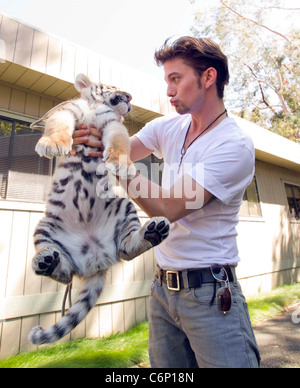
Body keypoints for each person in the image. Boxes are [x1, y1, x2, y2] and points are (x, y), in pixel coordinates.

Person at [73, 36, 261, 368]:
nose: (169, 90)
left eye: (176, 79)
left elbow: (169, 207)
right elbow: (119, 149)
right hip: (161, 290)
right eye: (166, 81)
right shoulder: (166, 128)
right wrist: (92, 137)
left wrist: (113, 158)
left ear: (208, 77)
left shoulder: (233, 145)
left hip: (211, 296)